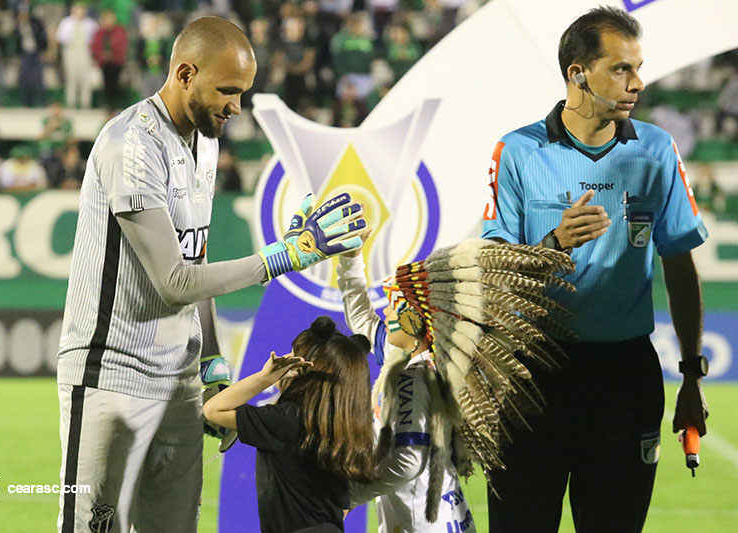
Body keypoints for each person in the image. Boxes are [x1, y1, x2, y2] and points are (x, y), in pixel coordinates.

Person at [56, 16, 365, 533]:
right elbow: (172, 280)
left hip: (177, 378)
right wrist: (284, 256)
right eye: (227, 91)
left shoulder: (205, 140)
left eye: (243, 93)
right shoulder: (130, 147)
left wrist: (213, 357)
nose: (236, 107)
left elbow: (195, 258)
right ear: (184, 74)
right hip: (111, 374)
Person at [480, 7, 709, 532]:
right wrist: (553, 243)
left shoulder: (656, 150)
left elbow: (678, 262)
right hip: (532, 375)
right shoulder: (517, 151)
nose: (638, 82)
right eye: (621, 69)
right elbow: (495, 270)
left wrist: (692, 374)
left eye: (638, 67)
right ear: (577, 73)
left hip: (623, 379)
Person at [336, 241, 474, 532]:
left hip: (421, 522)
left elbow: (408, 462)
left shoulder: (414, 379)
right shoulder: (419, 360)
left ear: (413, 320)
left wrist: (349, 496)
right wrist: (351, 260)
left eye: (393, 306)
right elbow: (362, 319)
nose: (385, 313)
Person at [203, 316, 379, 533]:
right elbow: (342, 506)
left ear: (304, 370)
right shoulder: (342, 426)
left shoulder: (286, 419)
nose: (285, 359)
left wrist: (265, 377)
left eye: (293, 355)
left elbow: (213, 410)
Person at [56, 2, 98, 109]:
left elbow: (96, 39)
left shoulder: (91, 23)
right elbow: (60, 37)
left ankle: (85, 103)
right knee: (71, 77)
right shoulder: (66, 22)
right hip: (71, 51)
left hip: (85, 51)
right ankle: (71, 103)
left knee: (85, 78)